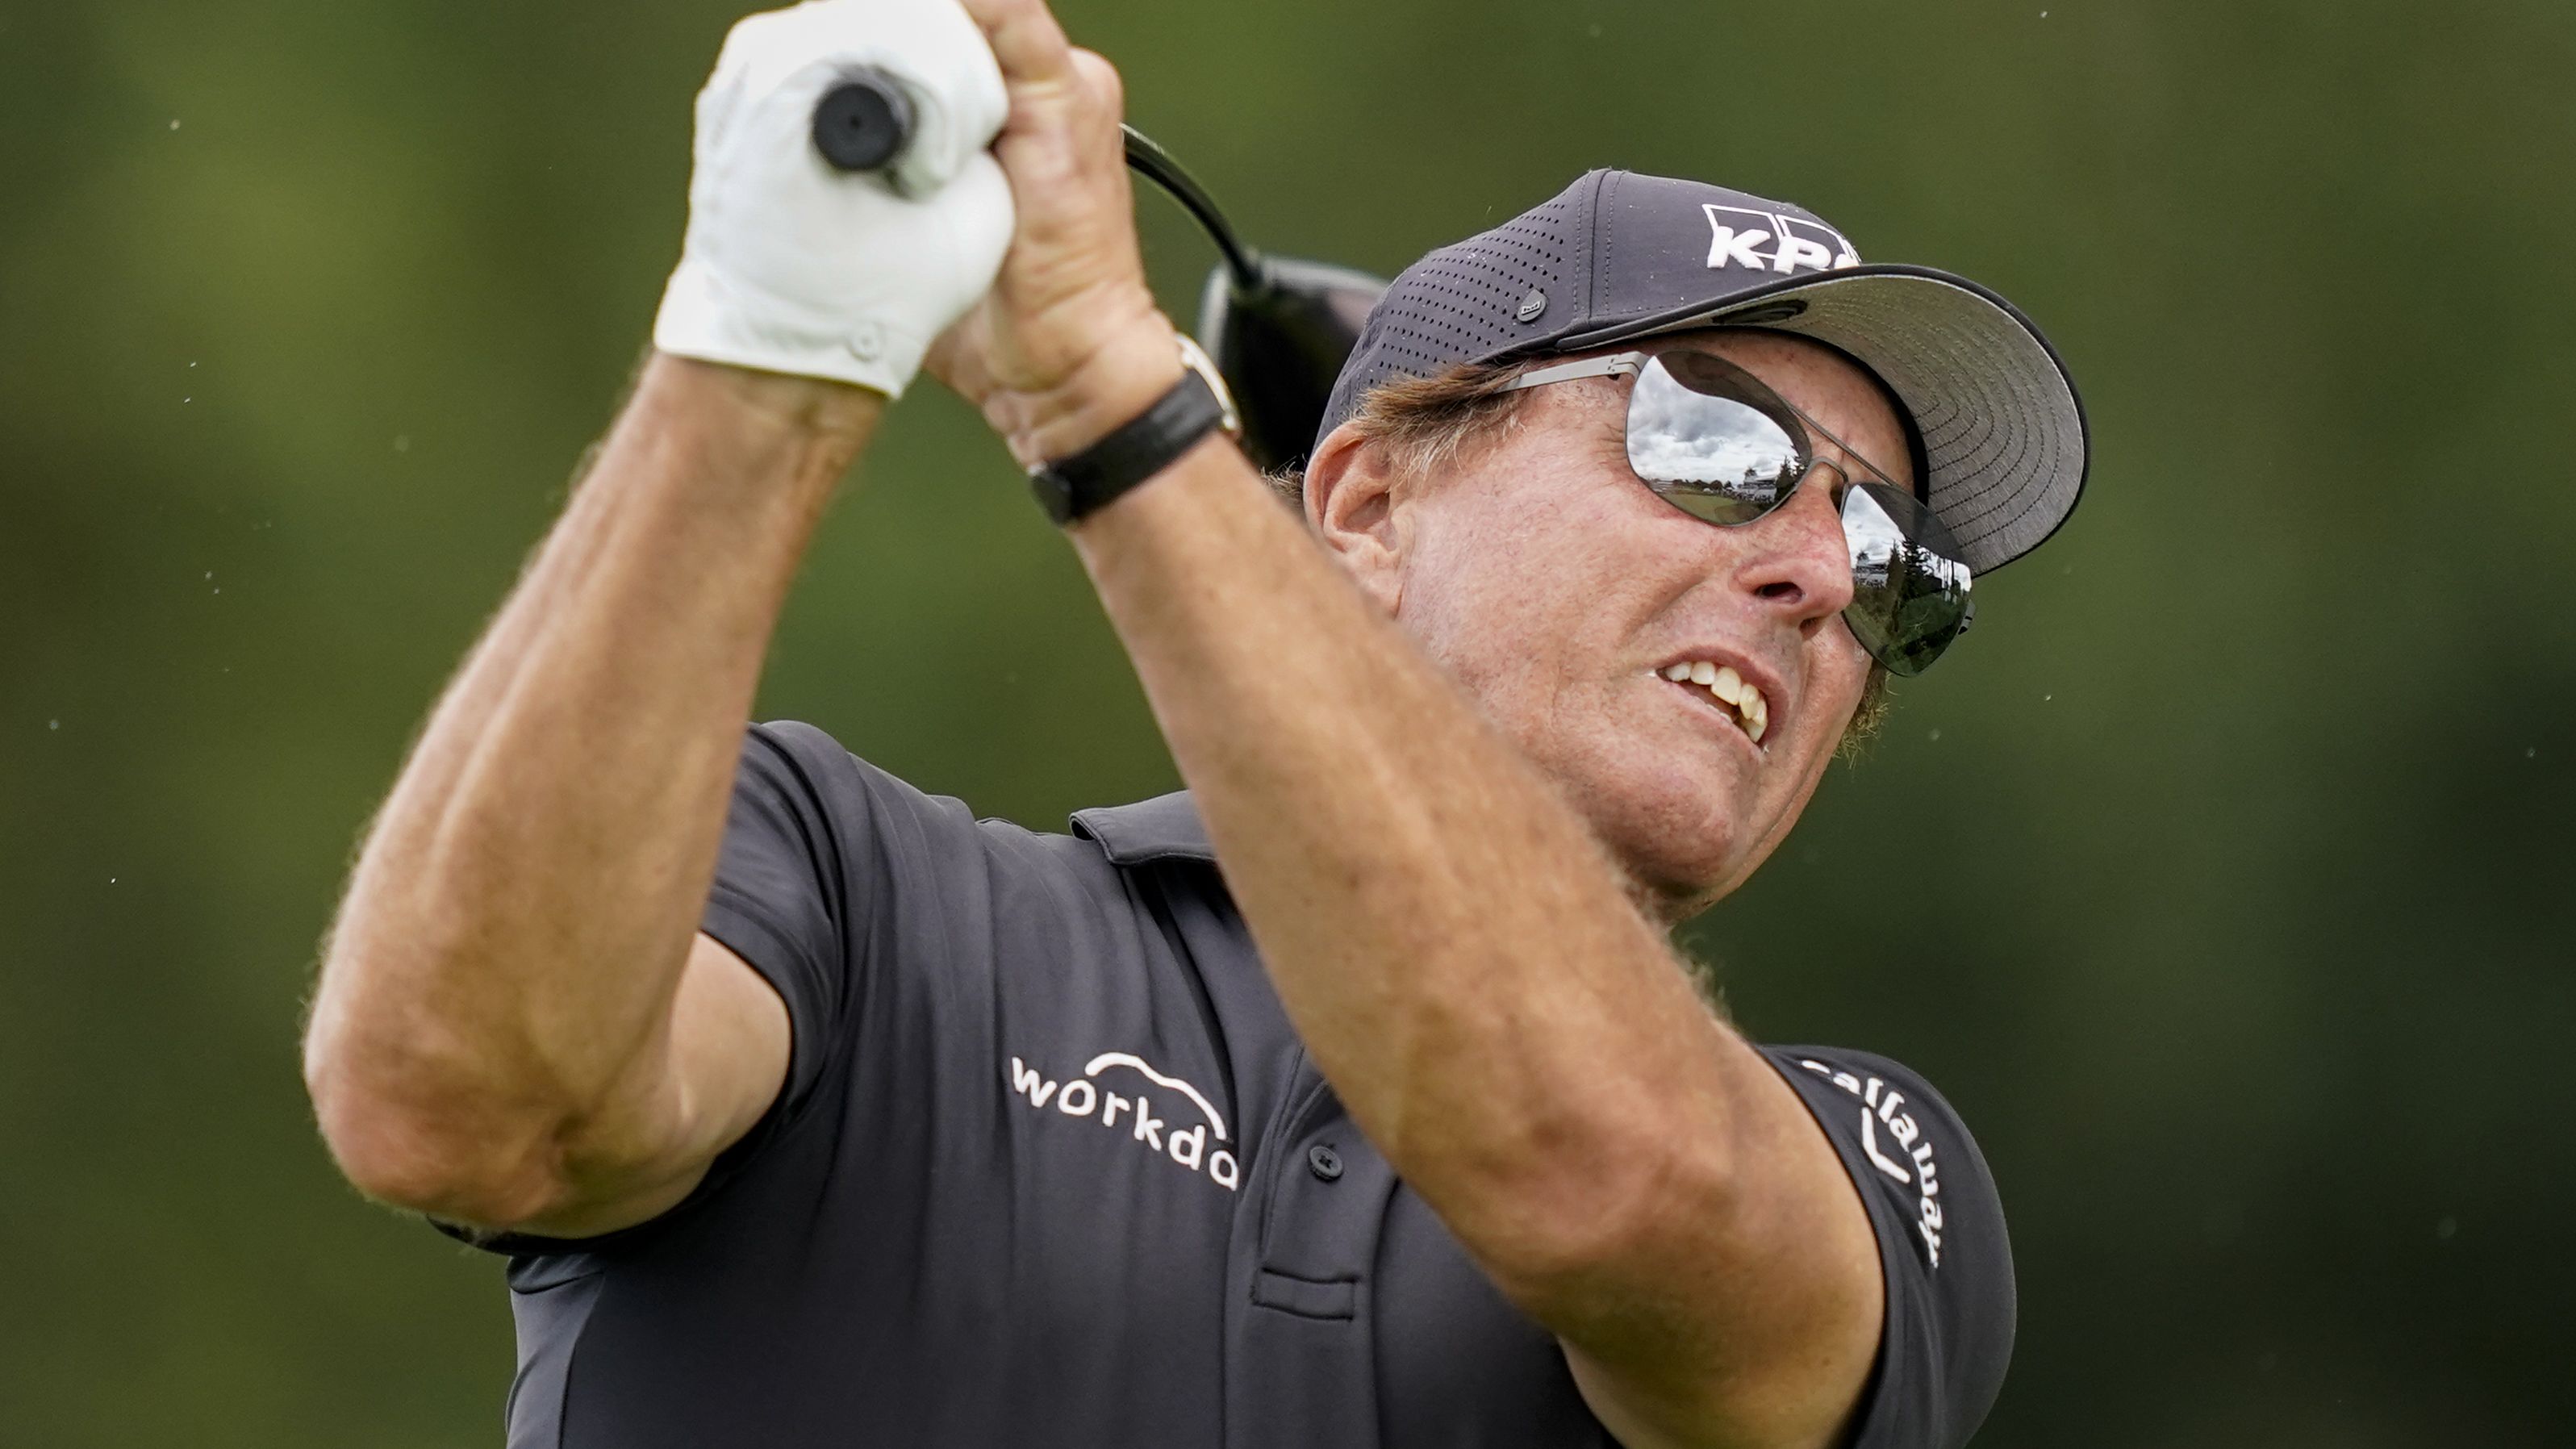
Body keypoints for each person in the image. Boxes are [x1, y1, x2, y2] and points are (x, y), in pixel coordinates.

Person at [300, 0, 2087, 1443]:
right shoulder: (850, 895)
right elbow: (455, 1098)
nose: (1812, 574)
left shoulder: (1866, 1167)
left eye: (1884, 556)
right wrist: (762, 345)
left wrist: (1102, 389)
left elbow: (1602, 1174)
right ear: (1368, 507)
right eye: (1715, 446)